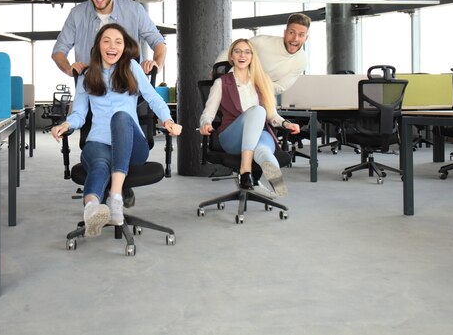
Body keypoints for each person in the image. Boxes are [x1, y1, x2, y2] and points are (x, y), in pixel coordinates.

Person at [51, 23, 182, 237]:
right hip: (98, 141)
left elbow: (153, 97)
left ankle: (115, 196)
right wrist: (66, 125)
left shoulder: (131, 67)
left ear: (124, 47)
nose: (113, 46)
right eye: (107, 41)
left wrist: (167, 119)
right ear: (98, 46)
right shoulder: (86, 76)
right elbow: (79, 114)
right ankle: (92, 209)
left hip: (133, 147)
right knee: (99, 165)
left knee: (121, 116)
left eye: (118, 42)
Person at [200, 38, 300, 196]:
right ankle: (245, 171)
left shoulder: (262, 82)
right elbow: (208, 113)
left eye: (247, 52)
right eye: (237, 51)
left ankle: (276, 188)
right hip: (232, 137)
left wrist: (285, 124)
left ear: (252, 57)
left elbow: (272, 115)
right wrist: (206, 123)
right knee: (258, 111)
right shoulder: (222, 82)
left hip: (260, 135)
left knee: (263, 152)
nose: (242, 55)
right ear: (231, 56)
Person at [52, 0, 167, 77]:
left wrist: (156, 65)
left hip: (130, 89)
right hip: (90, 89)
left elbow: (158, 42)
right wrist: (69, 69)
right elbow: (58, 51)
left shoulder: (135, 10)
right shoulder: (76, 14)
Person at [214, 13, 311, 94]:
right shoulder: (262, 42)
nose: (295, 39)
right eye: (291, 32)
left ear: (306, 38)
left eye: (301, 35)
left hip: (261, 94)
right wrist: (216, 68)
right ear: (285, 33)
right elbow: (232, 50)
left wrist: (255, 85)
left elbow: (280, 86)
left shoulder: (301, 60)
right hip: (235, 87)